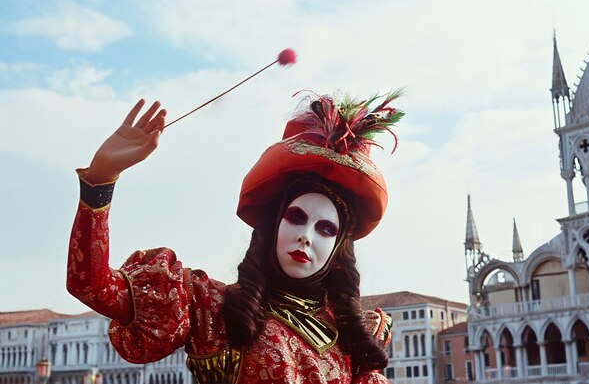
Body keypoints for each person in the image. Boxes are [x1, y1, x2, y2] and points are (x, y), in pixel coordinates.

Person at [67, 92, 404, 384]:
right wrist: (100, 179)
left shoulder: (354, 336)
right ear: (272, 227)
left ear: (338, 249)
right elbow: (92, 286)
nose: (305, 236)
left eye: (325, 229)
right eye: (295, 218)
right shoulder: (211, 308)